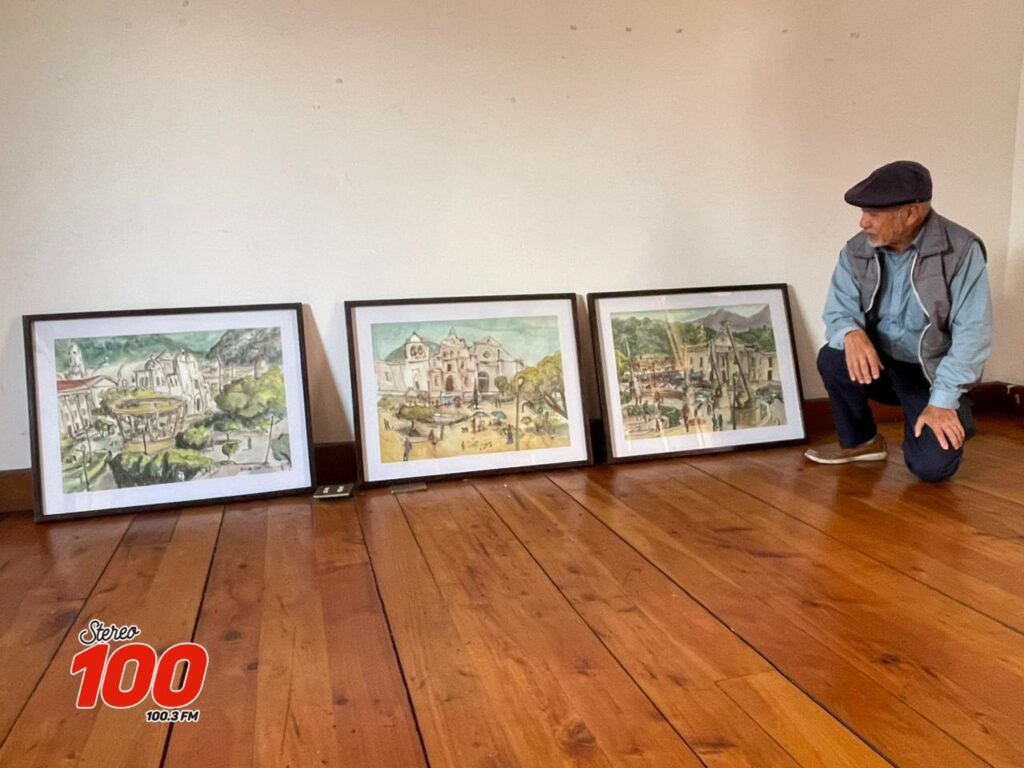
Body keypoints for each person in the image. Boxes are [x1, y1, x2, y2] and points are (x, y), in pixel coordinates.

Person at [805, 161, 992, 481]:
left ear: (911, 214)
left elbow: (973, 335)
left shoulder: (961, 251)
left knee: (932, 468)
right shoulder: (856, 250)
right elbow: (838, 310)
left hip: (932, 375)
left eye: (873, 214)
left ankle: (949, 413)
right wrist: (851, 333)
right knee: (833, 357)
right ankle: (862, 442)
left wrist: (943, 401)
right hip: (883, 367)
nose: (863, 222)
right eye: (863, 212)